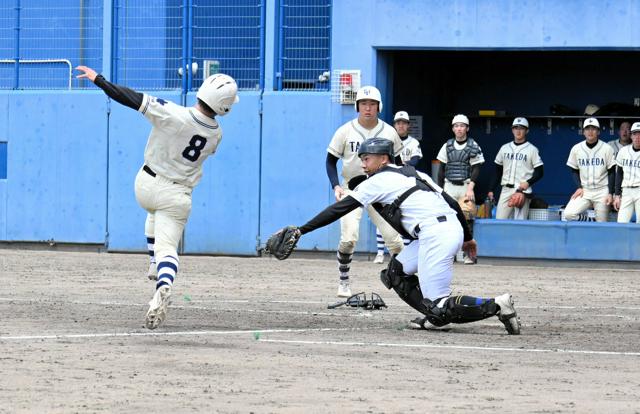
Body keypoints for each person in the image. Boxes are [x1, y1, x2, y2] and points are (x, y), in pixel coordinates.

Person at [275, 138, 520, 334]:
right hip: (441, 230)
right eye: (361, 158)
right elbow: (452, 205)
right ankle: (434, 316)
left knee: (440, 304)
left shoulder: (376, 180)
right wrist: (467, 237)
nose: (363, 164)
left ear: (383, 159)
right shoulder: (416, 173)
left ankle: (496, 305)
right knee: (395, 272)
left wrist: (302, 230)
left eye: (367, 158)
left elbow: (340, 207)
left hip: (435, 235)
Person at [76, 65, 239, 329]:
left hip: (147, 184)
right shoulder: (216, 135)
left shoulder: (175, 113)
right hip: (177, 195)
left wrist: (100, 80)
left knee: (152, 214)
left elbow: (130, 98)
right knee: (168, 249)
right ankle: (163, 281)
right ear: (224, 107)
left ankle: (153, 263)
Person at [326, 86, 404, 297]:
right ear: (357, 106)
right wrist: (336, 186)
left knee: (395, 241)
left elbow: (398, 163)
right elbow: (330, 161)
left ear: (379, 107)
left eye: (372, 104)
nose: (367, 108)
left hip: (381, 191)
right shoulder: (345, 130)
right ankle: (343, 282)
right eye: (363, 104)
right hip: (352, 188)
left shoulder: (389, 131)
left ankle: (405, 281)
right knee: (349, 238)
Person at [374, 111, 422, 264]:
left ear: (408, 125)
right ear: (394, 125)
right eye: (398, 123)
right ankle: (380, 253)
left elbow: (415, 160)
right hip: (389, 182)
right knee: (383, 216)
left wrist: (401, 167)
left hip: (406, 183)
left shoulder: (413, 142)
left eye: (404, 123)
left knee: (404, 217)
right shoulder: (387, 141)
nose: (401, 125)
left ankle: (405, 252)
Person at [436, 114, 484, 264]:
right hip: (449, 185)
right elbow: (441, 169)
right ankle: (451, 253)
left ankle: (468, 254)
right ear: (453, 128)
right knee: (448, 220)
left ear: (467, 128)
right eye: (456, 126)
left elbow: (477, 168)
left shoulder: (473, 145)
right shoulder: (447, 145)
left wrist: (471, 187)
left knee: (467, 218)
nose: (459, 128)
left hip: (465, 185)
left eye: (462, 125)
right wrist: (440, 190)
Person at [488, 117, 544, 220]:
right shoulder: (504, 148)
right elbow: (498, 171)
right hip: (506, 189)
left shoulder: (532, 149)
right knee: (499, 221)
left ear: (527, 131)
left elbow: (540, 172)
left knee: (520, 223)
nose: (518, 131)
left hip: (522, 191)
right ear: (512, 129)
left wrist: (528, 183)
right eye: (516, 128)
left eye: (521, 128)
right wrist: (491, 189)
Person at [563, 118, 615, 222]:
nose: (590, 131)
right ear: (583, 132)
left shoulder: (607, 148)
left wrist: (610, 193)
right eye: (587, 129)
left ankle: (597, 224)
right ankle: (590, 221)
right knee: (568, 214)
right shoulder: (576, 148)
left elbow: (612, 171)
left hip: (602, 191)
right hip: (585, 191)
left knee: (602, 224)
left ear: (598, 131)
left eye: (593, 129)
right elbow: (574, 170)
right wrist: (579, 187)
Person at [614, 121, 640, 223]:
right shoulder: (623, 151)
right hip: (626, 191)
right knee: (621, 222)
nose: (638, 137)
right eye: (635, 134)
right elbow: (619, 174)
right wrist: (617, 195)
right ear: (631, 136)